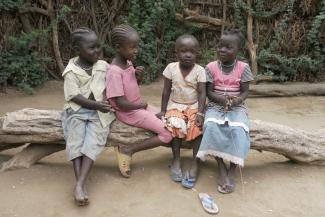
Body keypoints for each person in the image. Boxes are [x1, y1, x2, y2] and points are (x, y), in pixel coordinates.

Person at [106, 24, 172, 178]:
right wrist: (141, 105)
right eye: (132, 47)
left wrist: (138, 77)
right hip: (128, 112)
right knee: (168, 133)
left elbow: (131, 86)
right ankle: (128, 150)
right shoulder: (114, 72)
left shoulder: (127, 63)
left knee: (169, 117)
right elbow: (121, 103)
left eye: (137, 46)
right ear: (118, 47)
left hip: (137, 107)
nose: (136, 50)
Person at [196, 29, 254, 194]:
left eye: (228, 47)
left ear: (238, 50)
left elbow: (245, 92)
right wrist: (222, 100)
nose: (222, 50)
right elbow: (208, 92)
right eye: (220, 46)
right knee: (211, 127)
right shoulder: (211, 67)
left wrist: (235, 101)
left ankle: (232, 170)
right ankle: (221, 166)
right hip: (215, 105)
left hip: (237, 106)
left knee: (238, 130)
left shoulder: (243, 68)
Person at [61, 27, 115, 205]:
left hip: (99, 113)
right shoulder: (71, 71)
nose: (97, 51)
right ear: (78, 49)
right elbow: (74, 96)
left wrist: (135, 77)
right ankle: (80, 185)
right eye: (91, 48)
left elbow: (116, 83)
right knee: (75, 141)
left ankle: (79, 184)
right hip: (76, 111)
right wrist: (97, 104)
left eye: (98, 46)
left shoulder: (104, 66)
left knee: (94, 141)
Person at [157, 34, 206, 188]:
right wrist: (163, 110)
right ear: (176, 52)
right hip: (175, 105)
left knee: (197, 128)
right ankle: (176, 159)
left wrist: (200, 113)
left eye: (192, 51)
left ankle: (195, 163)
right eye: (183, 51)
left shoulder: (200, 70)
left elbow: (202, 93)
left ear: (197, 52)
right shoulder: (171, 68)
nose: (188, 55)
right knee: (175, 126)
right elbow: (166, 91)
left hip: (193, 105)